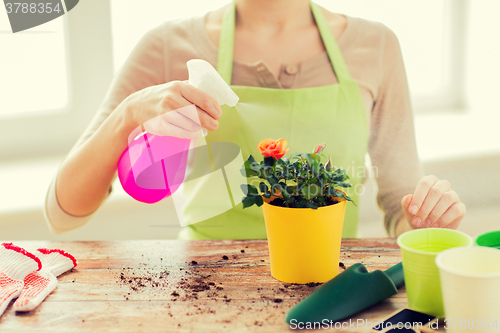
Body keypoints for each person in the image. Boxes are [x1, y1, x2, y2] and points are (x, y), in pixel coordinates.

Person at [44, 0, 466, 238]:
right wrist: (128, 115)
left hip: (329, 294)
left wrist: (427, 222)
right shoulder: (167, 46)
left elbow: (401, 208)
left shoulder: (375, 46)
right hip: (199, 294)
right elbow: (62, 212)